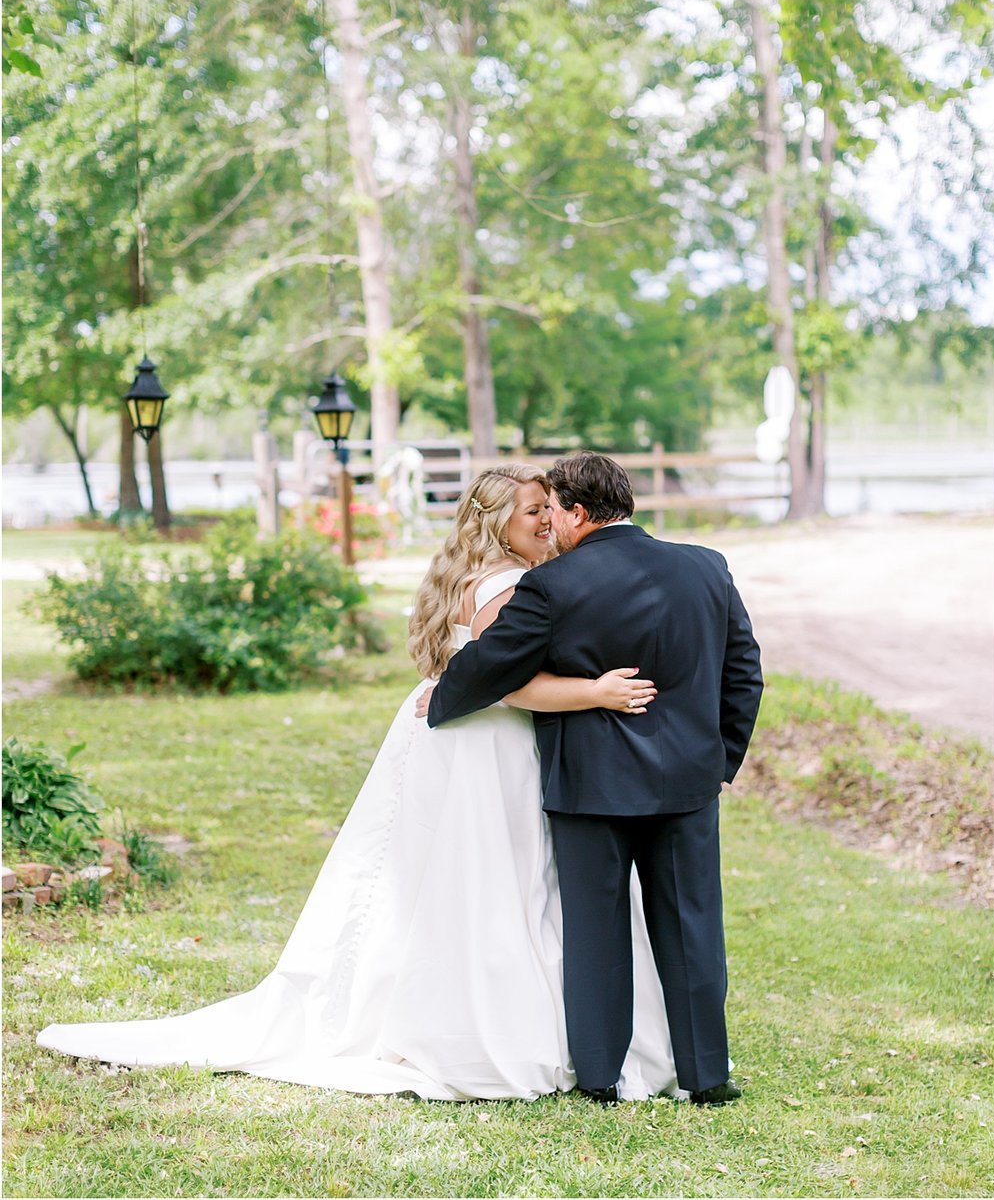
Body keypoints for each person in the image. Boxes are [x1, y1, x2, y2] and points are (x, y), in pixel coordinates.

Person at [37, 464, 678, 1102]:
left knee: (471, 876)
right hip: (489, 742)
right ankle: (498, 1025)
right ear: (498, 522)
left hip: (459, 738)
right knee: (500, 876)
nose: (546, 519)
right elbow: (502, 684)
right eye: (532, 509)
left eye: (549, 507)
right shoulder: (508, 586)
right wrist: (597, 691)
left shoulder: (479, 576)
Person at [427, 452, 763, 1106]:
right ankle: (708, 1078)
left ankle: (602, 1078)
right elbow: (744, 674)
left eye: (553, 508)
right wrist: (716, 761)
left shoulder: (553, 586)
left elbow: (495, 661)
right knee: (693, 928)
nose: (549, 520)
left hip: (590, 788)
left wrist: (443, 694)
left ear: (578, 512)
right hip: (687, 787)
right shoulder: (706, 566)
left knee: (596, 933)